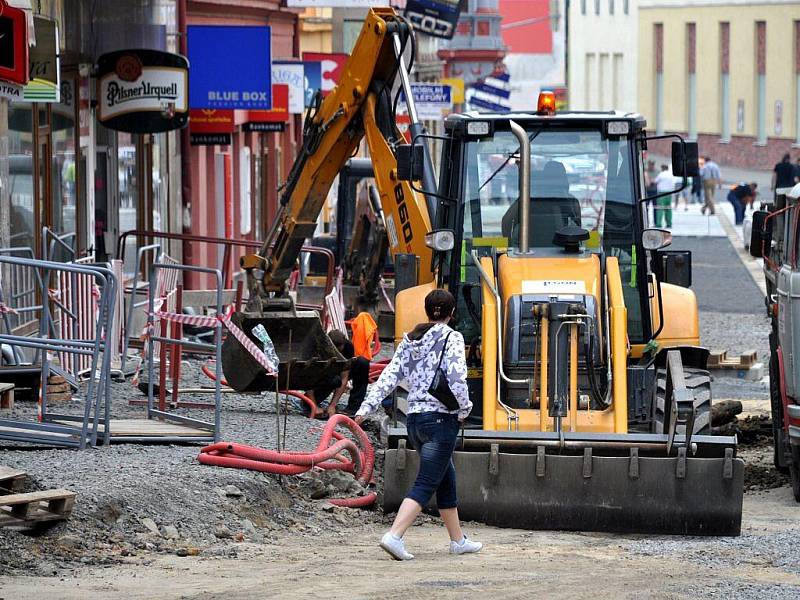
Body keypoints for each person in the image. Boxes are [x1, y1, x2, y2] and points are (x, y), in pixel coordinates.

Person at [355, 289, 480, 561]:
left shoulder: (410, 339)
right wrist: (465, 407)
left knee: (445, 477)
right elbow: (457, 376)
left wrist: (366, 407)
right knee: (427, 481)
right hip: (440, 420)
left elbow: (389, 376)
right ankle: (394, 536)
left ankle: (458, 540)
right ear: (452, 312)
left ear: (426, 310)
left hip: (415, 421)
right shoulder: (453, 338)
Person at [307, 330, 370, 418]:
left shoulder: (348, 346)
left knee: (362, 363)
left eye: (339, 350)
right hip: (319, 379)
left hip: (335, 373)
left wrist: (332, 405)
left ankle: (353, 408)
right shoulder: (318, 349)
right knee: (334, 380)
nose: (337, 353)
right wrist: (314, 405)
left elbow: (344, 378)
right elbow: (307, 379)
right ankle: (309, 403)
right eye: (334, 350)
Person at [653, 164, 675, 228]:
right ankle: (669, 223)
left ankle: (659, 224)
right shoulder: (671, 174)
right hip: (669, 193)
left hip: (661, 193)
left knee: (660, 208)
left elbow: (655, 181)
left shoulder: (661, 174)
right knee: (668, 208)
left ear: (662, 168)